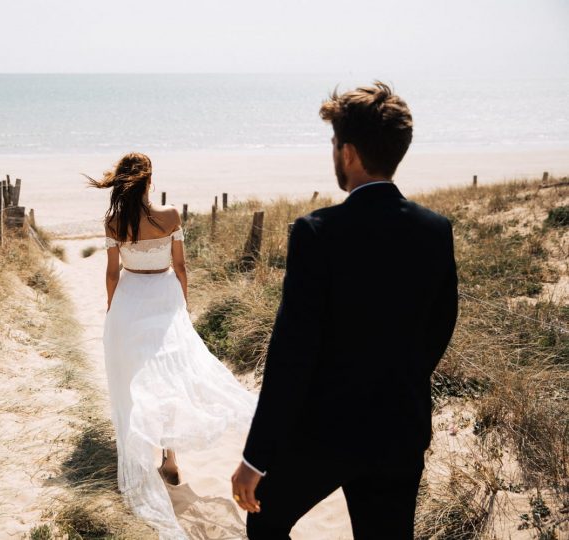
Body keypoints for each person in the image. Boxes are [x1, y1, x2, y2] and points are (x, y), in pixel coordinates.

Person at [231, 82, 458, 539]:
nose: (333, 154)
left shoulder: (318, 232)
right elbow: (441, 324)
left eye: (335, 144)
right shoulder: (435, 230)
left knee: (265, 523)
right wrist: (399, 380)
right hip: (400, 428)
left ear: (349, 153)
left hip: (324, 433)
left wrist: (255, 459)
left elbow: (292, 353)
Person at [90, 153, 257, 539]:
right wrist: (182, 302)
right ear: (149, 181)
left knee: (135, 379)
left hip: (130, 298)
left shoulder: (114, 221)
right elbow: (181, 267)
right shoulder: (170, 216)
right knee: (168, 378)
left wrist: (113, 310)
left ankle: (144, 453)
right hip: (164, 296)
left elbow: (112, 274)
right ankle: (171, 458)